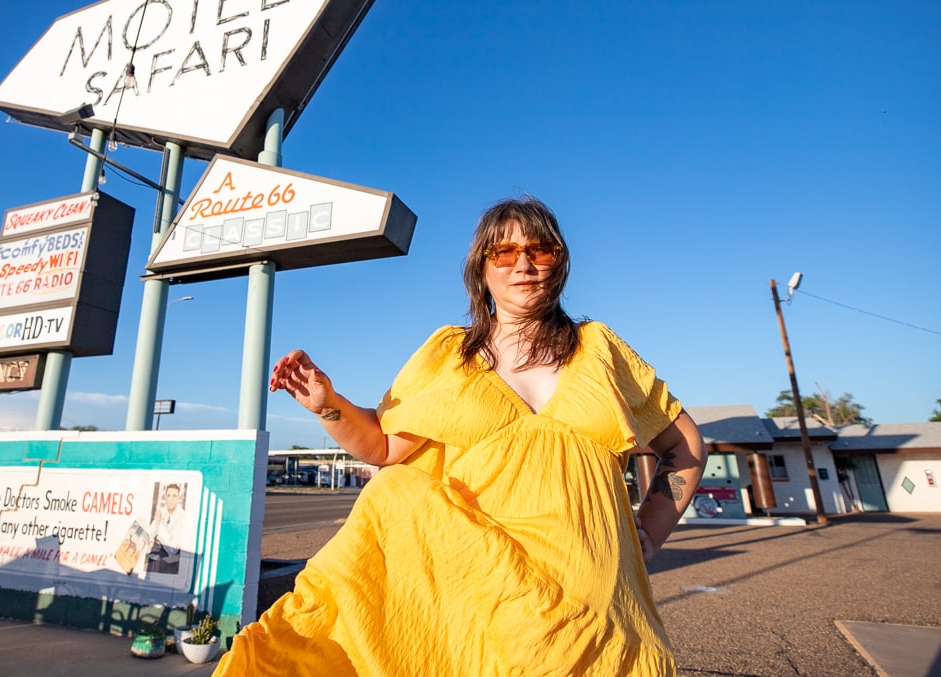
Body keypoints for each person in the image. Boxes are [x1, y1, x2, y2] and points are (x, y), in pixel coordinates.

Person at [213, 197, 707, 676]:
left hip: (599, 604)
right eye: (505, 252)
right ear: (482, 269)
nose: (524, 264)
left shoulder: (600, 348)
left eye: (541, 250)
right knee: (394, 496)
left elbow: (685, 446)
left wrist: (651, 532)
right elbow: (384, 448)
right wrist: (329, 406)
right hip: (484, 596)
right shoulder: (451, 354)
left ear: (559, 263)